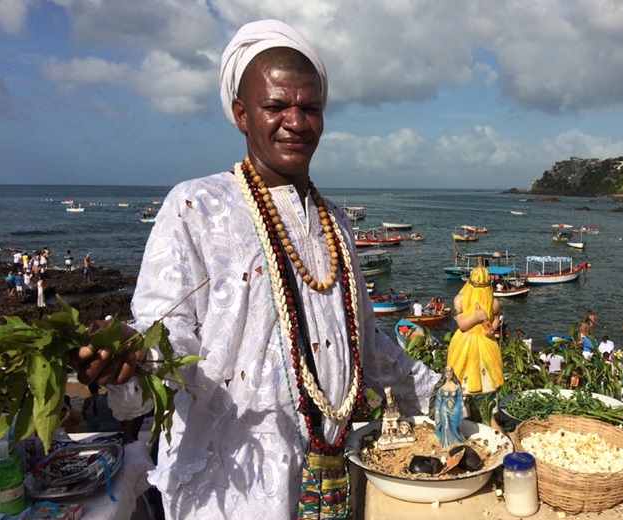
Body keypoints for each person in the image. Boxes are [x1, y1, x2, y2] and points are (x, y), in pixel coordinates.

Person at [72, 20, 439, 520]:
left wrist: (436, 393)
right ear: (242, 114)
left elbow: (363, 341)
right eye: (276, 106)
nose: (295, 121)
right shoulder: (196, 206)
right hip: (230, 489)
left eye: (310, 108)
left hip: (328, 478)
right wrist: (132, 354)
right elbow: (169, 332)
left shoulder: (336, 224)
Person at [447, 261, 504, 396]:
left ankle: (490, 415)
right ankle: (464, 411)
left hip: (486, 342)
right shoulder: (460, 300)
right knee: (462, 382)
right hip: (464, 342)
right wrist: (476, 317)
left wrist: (492, 330)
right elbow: (462, 325)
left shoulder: (494, 303)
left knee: (490, 384)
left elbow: (496, 318)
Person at [429, 366, 465, 447]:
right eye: (447, 374)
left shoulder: (457, 386)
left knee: (455, 426)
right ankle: (446, 443)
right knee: (445, 418)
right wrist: (437, 413)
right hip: (444, 409)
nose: (449, 376)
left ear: (453, 374)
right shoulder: (441, 388)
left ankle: (456, 440)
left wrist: (463, 409)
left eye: (450, 375)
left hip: (455, 409)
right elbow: (438, 402)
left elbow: (460, 399)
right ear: (445, 375)